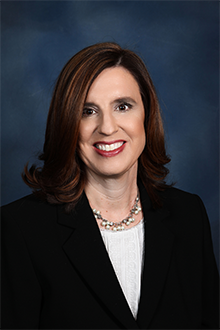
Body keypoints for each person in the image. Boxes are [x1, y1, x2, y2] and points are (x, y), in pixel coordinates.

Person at [1, 42, 219, 329]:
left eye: (123, 106)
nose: (107, 127)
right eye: (88, 111)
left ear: (147, 114)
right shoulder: (18, 229)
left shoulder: (188, 215)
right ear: (67, 124)